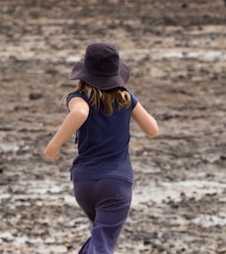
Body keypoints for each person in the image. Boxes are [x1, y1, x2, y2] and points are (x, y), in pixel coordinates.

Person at [44, 42, 159, 254]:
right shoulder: (126, 98)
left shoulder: (78, 98)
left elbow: (79, 112)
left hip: (84, 184)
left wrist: (55, 146)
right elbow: (152, 129)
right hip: (116, 183)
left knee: (100, 238)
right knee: (103, 243)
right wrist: (53, 144)